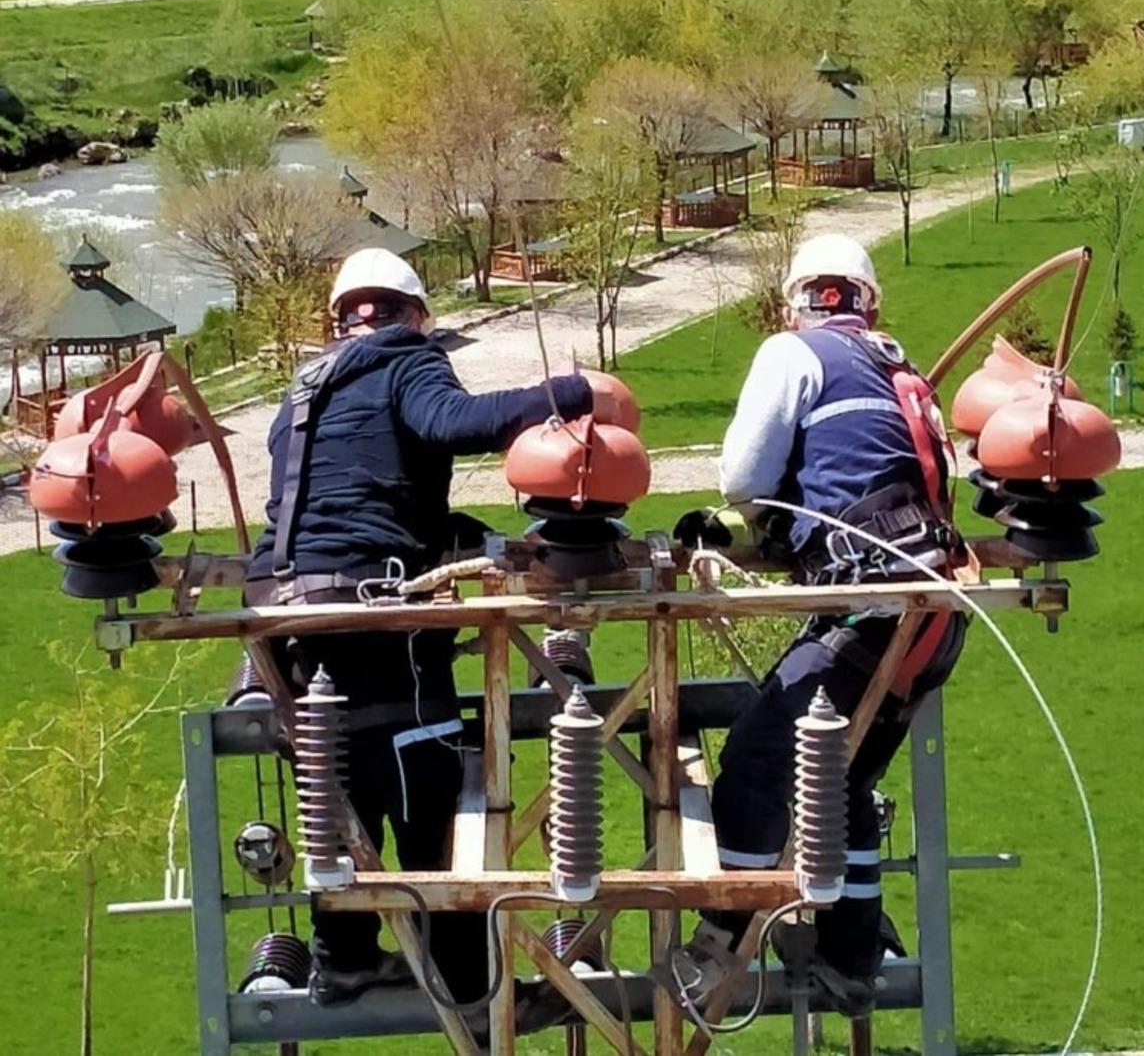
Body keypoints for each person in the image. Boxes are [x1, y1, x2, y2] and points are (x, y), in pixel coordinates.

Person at [245, 247, 616, 1006]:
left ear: (340, 319)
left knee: (336, 795)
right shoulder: (406, 357)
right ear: (415, 316)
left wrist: (457, 530)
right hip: (384, 616)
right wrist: (574, 393)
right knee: (430, 805)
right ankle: (468, 992)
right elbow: (453, 422)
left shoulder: (304, 389)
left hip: (294, 618)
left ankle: (344, 959)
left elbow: (342, 491)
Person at [670, 232, 966, 1016]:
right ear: (870, 301)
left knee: (759, 761)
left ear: (794, 300)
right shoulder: (899, 366)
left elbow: (744, 475)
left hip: (871, 609)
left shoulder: (793, 353)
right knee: (842, 776)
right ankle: (850, 952)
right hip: (933, 616)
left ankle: (723, 938)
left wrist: (762, 522)